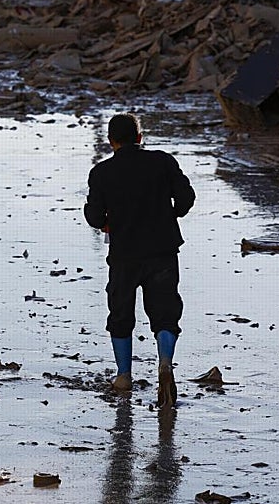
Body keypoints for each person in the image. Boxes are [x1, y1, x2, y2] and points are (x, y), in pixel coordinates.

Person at [84, 113, 195, 409]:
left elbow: (94, 216)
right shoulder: (163, 162)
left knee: (120, 313)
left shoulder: (102, 173)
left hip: (124, 255)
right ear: (140, 138)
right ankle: (166, 363)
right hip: (163, 250)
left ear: (111, 142)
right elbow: (186, 198)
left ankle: (123, 375)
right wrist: (170, 214)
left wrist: (107, 222)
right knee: (166, 311)